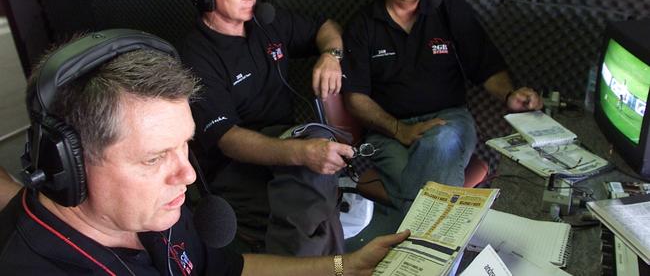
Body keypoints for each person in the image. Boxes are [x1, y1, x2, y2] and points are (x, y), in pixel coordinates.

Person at [0, 30, 409, 275]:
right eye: (154, 158)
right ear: (66, 165)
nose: (188, 175)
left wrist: (344, 267)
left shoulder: (155, 212)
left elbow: (228, 270)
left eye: (185, 146)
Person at [342, 0, 542, 216]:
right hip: (387, 133)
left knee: (440, 142)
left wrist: (509, 94)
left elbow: (484, 65)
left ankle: (421, 239)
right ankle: (439, 244)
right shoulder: (361, 26)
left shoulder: (451, 10)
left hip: (450, 123)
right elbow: (355, 98)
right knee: (426, 185)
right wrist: (400, 130)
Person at [182, 0, 353, 256]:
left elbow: (325, 26)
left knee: (313, 193)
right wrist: (301, 154)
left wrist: (331, 55)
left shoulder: (265, 21)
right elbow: (228, 140)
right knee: (317, 207)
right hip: (235, 166)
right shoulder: (197, 55)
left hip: (285, 141)